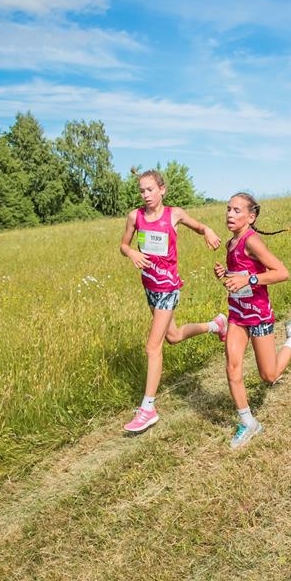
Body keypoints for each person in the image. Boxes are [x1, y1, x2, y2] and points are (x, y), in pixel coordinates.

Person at [119, 170, 226, 433]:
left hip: (168, 288)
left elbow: (199, 226)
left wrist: (208, 230)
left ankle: (148, 408)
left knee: (152, 346)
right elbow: (123, 245)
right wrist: (131, 252)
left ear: (162, 190)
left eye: (150, 190)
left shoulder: (174, 214)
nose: (145, 195)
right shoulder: (135, 216)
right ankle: (217, 325)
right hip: (150, 286)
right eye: (142, 191)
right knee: (173, 336)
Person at [213, 192, 291, 448]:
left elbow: (282, 273)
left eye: (237, 210)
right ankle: (249, 423)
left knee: (269, 375)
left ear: (251, 217)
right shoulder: (230, 243)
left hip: (258, 314)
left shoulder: (252, 241)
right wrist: (226, 275)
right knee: (232, 367)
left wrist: (248, 279)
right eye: (228, 209)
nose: (230, 214)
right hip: (237, 312)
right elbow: (240, 275)